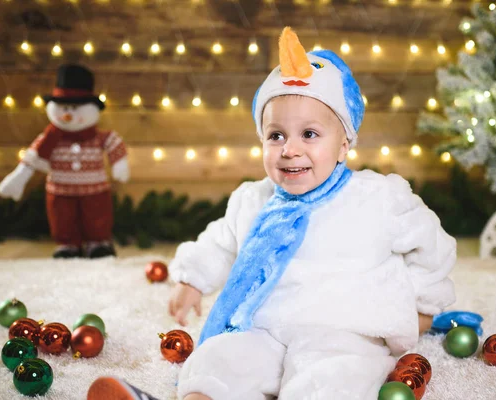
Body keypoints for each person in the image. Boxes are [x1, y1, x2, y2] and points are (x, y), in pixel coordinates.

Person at [88, 26, 456, 400]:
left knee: (334, 378)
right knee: (218, 359)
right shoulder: (252, 199)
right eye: (276, 135)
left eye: (309, 135)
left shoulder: (378, 197)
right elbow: (221, 241)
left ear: (344, 144)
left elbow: (433, 247)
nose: (289, 149)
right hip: (262, 327)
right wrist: (192, 280)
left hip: (341, 330)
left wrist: (421, 306)